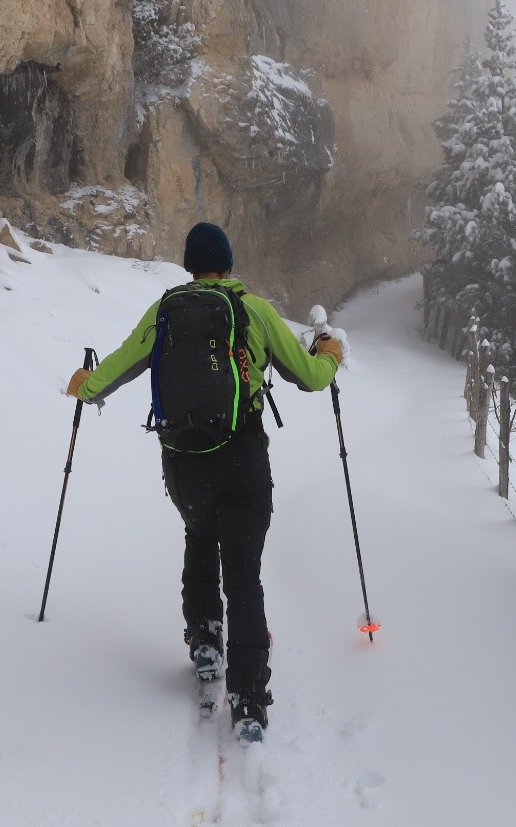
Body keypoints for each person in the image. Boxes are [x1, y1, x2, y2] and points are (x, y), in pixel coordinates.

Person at [65, 221, 343, 741]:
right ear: (229, 264)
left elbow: (122, 365)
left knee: (199, 537)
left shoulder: (166, 310)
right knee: (243, 575)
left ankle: (206, 643)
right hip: (242, 462)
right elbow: (308, 377)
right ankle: (248, 702)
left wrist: (85, 386)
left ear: (191, 264)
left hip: (184, 464)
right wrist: (329, 355)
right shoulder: (254, 310)